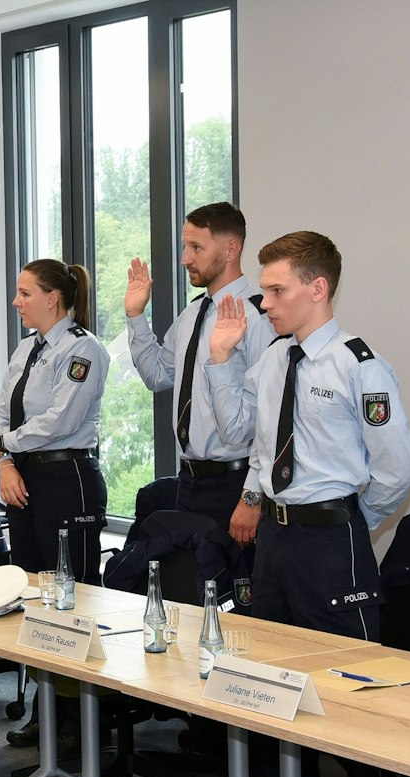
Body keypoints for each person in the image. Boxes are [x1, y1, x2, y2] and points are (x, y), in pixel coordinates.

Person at [205, 230, 410, 777]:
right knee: (271, 685)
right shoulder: (273, 360)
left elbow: (399, 468)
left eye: (276, 290)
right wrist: (220, 362)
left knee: (354, 697)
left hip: (332, 541)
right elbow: (246, 440)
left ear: (316, 288)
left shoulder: (360, 366)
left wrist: (353, 526)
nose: (265, 302)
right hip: (275, 544)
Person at [125, 202, 277, 605]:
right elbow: (158, 374)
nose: (184, 258)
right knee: (193, 597)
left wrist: (252, 496)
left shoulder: (259, 317)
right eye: (185, 246)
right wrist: (136, 317)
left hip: (235, 482)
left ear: (229, 250)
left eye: (196, 247)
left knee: (237, 605)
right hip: (190, 482)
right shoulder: (193, 313)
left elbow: (270, 419)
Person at [0, 259, 109, 748]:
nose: (16, 302)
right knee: (37, 599)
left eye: (24, 293)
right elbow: (0, 411)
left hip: (67, 478)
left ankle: (84, 720)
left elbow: (59, 421)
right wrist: (5, 462)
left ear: (52, 299)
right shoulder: (26, 349)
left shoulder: (84, 349)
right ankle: (47, 711)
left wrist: (7, 447)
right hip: (26, 478)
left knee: (72, 598)